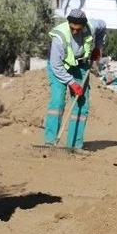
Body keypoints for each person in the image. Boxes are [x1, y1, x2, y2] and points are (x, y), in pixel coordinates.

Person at [44, 9, 106, 150]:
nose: (74, 32)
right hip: (59, 66)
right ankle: (50, 142)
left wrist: (98, 47)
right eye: (72, 28)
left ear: (84, 26)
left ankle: (74, 145)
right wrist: (72, 83)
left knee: (81, 105)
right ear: (69, 24)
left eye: (78, 29)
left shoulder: (93, 26)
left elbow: (103, 26)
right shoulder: (59, 37)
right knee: (57, 101)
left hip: (80, 65)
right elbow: (56, 66)